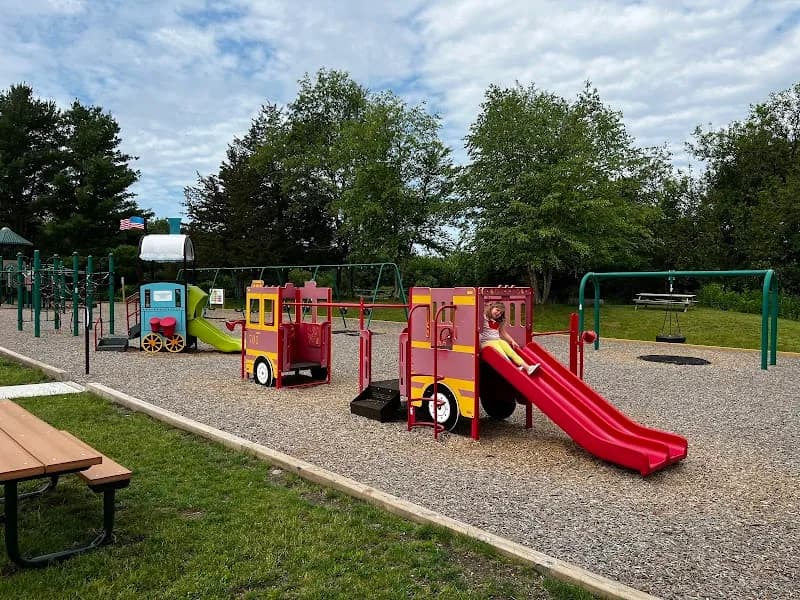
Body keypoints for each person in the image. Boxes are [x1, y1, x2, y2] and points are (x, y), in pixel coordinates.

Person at [479, 302, 540, 375]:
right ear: (491, 308)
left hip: (497, 340)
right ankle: (513, 368)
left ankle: (528, 368)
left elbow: (503, 332)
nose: (498, 313)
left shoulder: (499, 321)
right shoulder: (483, 318)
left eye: (501, 312)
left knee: (509, 350)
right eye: (497, 310)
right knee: (501, 353)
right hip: (486, 342)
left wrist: (512, 341)